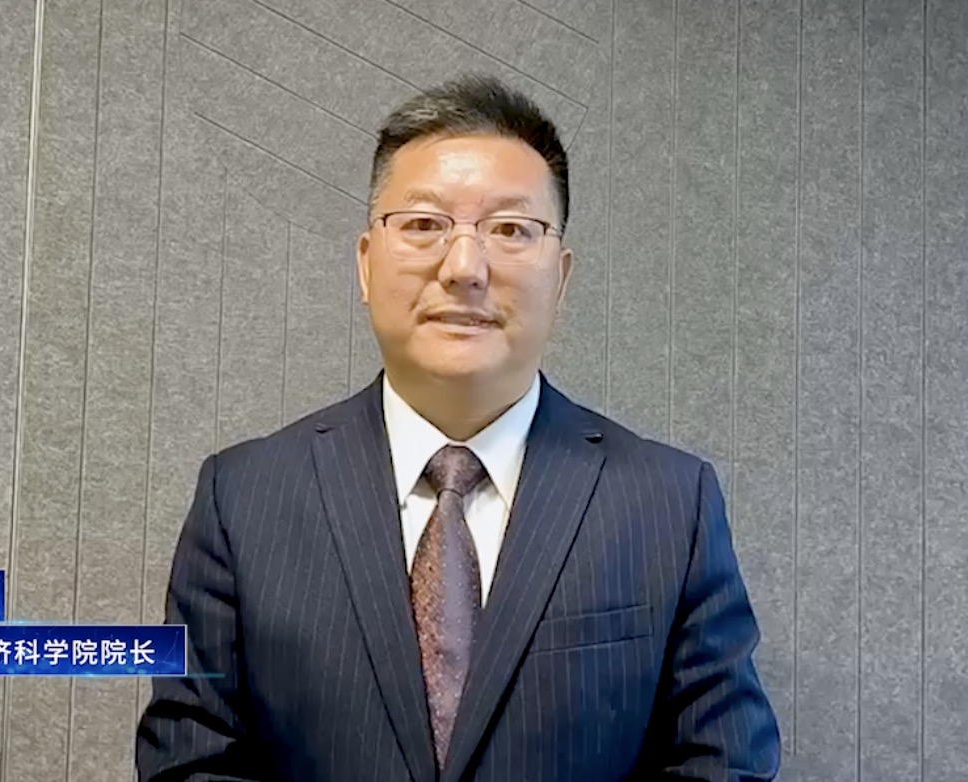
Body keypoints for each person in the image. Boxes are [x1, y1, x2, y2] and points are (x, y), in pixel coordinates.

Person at [137, 74, 780, 782]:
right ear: (366, 263)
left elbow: (723, 763)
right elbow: (191, 756)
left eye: (510, 230)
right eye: (423, 225)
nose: (464, 267)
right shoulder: (242, 498)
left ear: (561, 278)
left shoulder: (669, 504)